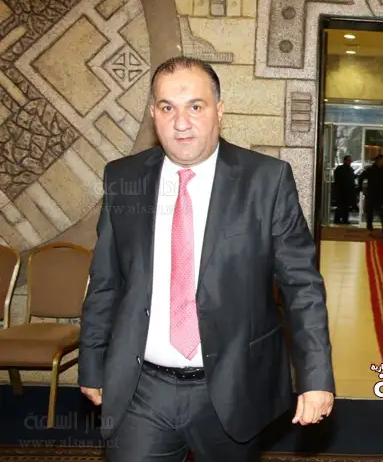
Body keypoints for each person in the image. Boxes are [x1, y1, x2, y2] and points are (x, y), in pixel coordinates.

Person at [78, 56, 334, 462]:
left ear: (220, 110)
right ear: (153, 114)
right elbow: (105, 279)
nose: (181, 123)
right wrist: (92, 363)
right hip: (141, 389)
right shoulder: (123, 179)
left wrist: (315, 376)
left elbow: (302, 286)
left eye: (195, 106)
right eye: (167, 108)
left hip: (233, 387)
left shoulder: (266, 180)